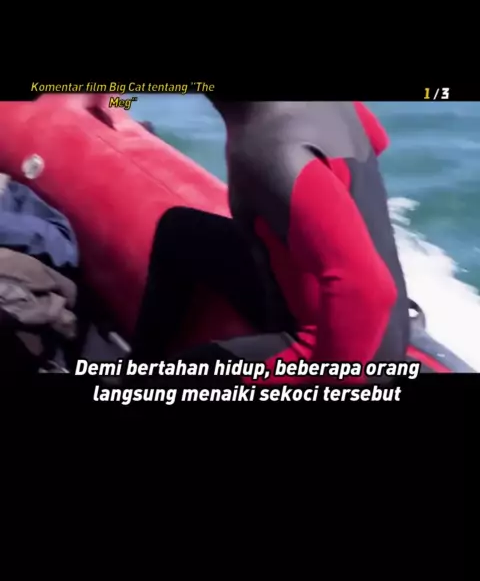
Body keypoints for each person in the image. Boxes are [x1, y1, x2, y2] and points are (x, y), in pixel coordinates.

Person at [131, 101, 410, 383]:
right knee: (181, 230)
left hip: (351, 350)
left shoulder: (269, 148)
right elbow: (375, 137)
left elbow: (368, 291)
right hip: (337, 304)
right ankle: (138, 368)